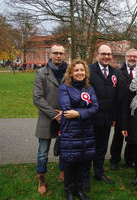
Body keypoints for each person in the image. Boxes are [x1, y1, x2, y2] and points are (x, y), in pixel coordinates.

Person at [59, 59, 99, 200]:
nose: (79, 73)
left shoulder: (90, 89)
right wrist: (84, 111)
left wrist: (79, 113)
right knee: (70, 162)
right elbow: (66, 108)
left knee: (82, 160)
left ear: (86, 72)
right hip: (70, 130)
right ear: (71, 72)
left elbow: (95, 108)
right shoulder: (65, 88)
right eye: (76, 70)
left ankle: (79, 190)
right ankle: (69, 192)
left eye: (82, 70)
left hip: (86, 130)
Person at [33, 44, 68, 195]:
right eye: (55, 53)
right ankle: (42, 177)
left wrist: (65, 113)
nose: (58, 56)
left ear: (64, 55)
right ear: (50, 54)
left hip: (66, 117)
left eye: (61, 53)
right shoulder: (42, 73)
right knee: (43, 151)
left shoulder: (69, 72)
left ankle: (63, 172)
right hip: (47, 118)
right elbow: (37, 98)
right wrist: (55, 114)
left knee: (64, 148)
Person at [83, 44, 118, 192]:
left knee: (101, 149)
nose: (106, 57)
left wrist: (113, 117)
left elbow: (116, 97)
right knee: (87, 149)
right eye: (103, 54)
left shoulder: (114, 73)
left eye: (108, 54)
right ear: (97, 55)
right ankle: (84, 178)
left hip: (106, 119)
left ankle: (98, 173)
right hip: (90, 118)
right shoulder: (89, 71)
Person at [109, 49, 137, 171]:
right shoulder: (117, 72)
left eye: (135, 57)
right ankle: (114, 160)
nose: (132, 58)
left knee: (132, 137)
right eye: (130, 56)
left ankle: (129, 159)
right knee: (118, 137)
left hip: (135, 110)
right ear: (126, 57)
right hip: (121, 111)